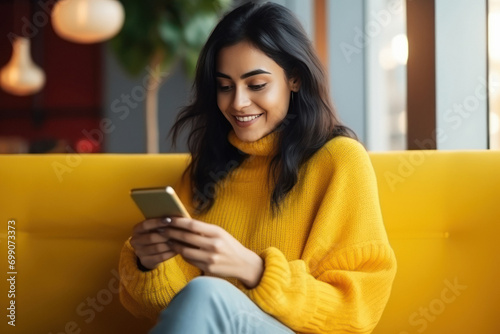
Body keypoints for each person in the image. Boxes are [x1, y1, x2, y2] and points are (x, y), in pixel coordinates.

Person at [118, 2, 397, 333]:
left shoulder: (339, 161)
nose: (237, 102)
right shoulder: (207, 167)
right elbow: (177, 312)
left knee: (208, 293)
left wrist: (254, 269)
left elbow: (357, 311)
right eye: (225, 86)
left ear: (294, 78)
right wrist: (151, 262)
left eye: (256, 84)